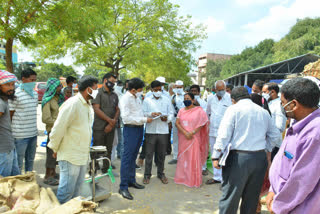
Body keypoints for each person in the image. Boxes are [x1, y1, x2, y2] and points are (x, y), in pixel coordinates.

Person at [212, 87, 279, 214]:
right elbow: (275, 135)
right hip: (259, 158)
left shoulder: (233, 109)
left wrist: (216, 155)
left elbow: (224, 135)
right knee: (252, 198)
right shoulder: (262, 111)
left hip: (238, 159)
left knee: (231, 196)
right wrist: (266, 149)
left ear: (233, 100)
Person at [267, 78, 320, 214]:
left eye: (283, 103)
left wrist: (278, 206)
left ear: (294, 104)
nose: (281, 106)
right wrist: (273, 190)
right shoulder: (298, 123)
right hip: (282, 201)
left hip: (298, 208)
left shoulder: (315, 133)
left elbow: (303, 180)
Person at [48, 75, 99, 204]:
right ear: (88, 89)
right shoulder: (73, 103)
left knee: (76, 193)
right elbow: (58, 128)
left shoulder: (87, 104)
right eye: (95, 88)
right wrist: (54, 147)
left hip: (82, 154)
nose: (97, 90)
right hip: (70, 155)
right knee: (66, 192)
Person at [118, 78, 153, 200]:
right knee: (127, 158)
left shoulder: (136, 98)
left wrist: (149, 115)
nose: (141, 91)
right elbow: (126, 118)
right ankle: (123, 187)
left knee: (133, 156)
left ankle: (131, 181)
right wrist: (144, 120)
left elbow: (139, 113)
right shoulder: (125, 99)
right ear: (133, 89)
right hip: (130, 129)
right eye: (140, 89)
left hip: (138, 129)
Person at [174, 92, 209, 187]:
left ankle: (193, 179)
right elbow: (177, 123)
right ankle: (182, 178)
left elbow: (202, 123)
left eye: (188, 98)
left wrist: (192, 132)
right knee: (183, 157)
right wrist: (185, 132)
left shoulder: (199, 110)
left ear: (193, 100)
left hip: (194, 137)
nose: (186, 100)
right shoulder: (181, 110)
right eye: (185, 99)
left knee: (193, 157)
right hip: (183, 137)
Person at [142, 80, 173, 185]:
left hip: (163, 130)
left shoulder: (166, 99)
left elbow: (171, 113)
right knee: (149, 153)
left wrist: (167, 119)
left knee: (161, 154)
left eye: (160, 90)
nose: (158, 92)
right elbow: (143, 113)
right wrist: (152, 113)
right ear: (151, 90)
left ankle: (161, 173)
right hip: (151, 130)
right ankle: (147, 175)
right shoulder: (147, 100)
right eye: (156, 90)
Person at [9, 68, 38, 173]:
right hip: (20, 136)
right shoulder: (15, 95)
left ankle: (29, 181)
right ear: (23, 79)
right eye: (31, 80)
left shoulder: (34, 94)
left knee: (30, 161)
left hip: (33, 135)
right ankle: (18, 184)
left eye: (35, 80)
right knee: (18, 162)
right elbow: (10, 116)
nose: (33, 83)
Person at [92, 73, 119, 173]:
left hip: (110, 127)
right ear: (105, 80)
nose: (113, 84)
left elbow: (117, 109)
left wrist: (112, 123)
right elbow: (96, 109)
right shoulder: (97, 93)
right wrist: (110, 121)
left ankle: (106, 169)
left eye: (114, 82)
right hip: (99, 127)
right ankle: (93, 170)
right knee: (96, 150)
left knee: (109, 150)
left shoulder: (114, 95)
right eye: (111, 81)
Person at [206, 80, 232, 184]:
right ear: (215, 89)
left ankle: (225, 179)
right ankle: (217, 177)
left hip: (225, 132)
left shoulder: (230, 98)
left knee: (226, 154)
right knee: (214, 154)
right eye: (219, 90)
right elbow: (207, 113)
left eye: (222, 90)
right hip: (213, 131)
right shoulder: (211, 99)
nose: (221, 91)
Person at [42, 78, 64, 186]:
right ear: (53, 88)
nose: (61, 88)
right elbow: (46, 119)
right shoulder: (48, 100)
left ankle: (53, 173)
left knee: (55, 153)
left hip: (58, 130)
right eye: (59, 86)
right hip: (52, 130)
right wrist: (58, 123)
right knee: (51, 153)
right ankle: (47, 176)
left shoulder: (58, 99)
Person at [0, 70, 20, 177]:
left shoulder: (4, 100)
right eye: (7, 85)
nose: (11, 88)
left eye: (12, 84)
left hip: (9, 147)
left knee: (14, 179)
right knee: (4, 184)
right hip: (3, 150)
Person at [262, 82, 287, 160]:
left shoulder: (279, 105)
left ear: (272, 92)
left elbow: (280, 127)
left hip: (274, 144)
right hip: (266, 142)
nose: (262, 94)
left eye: (264, 92)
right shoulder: (268, 103)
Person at [168, 80, 185, 164]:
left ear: (183, 87)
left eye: (180, 87)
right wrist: (170, 121)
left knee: (184, 137)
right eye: (177, 87)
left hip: (184, 120)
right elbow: (171, 110)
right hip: (175, 119)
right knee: (175, 138)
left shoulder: (186, 96)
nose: (178, 89)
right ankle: (175, 156)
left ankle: (184, 156)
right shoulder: (173, 97)